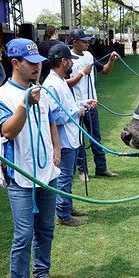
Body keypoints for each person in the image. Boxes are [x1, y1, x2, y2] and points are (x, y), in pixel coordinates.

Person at [0, 38, 64, 278]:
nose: (37, 68)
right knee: (23, 234)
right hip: (20, 177)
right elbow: (7, 131)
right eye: (31, 64)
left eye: (39, 64)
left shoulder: (40, 91)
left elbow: (51, 120)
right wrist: (24, 104)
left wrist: (56, 147)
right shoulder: (0, 96)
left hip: (47, 173)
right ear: (15, 63)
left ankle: (42, 272)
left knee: (46, 228)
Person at [43, 43, 95, 228]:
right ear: (63, 61)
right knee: (64, 178)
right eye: (70, 61)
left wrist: (83, 102)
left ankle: (68, 207)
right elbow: (54, 117)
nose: (72, 64)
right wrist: (78, 111)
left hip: (72, 138)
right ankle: (63, 214)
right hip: (64, 141)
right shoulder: (51, 85)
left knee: (68, 176)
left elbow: (68, 105)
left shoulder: (60, 81)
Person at [67, 27, 119, 180]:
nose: (87, 44)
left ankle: (101, 168)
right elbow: (65, 84)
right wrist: (82, 73)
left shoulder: (89, 55)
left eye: (88, 41)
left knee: (96, 137)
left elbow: (104, 71)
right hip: (75, 106)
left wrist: (110, 61)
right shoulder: (68, 58)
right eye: (84, 42)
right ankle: (82, 171)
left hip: (91, 104)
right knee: (79, 140)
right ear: (74, 42)